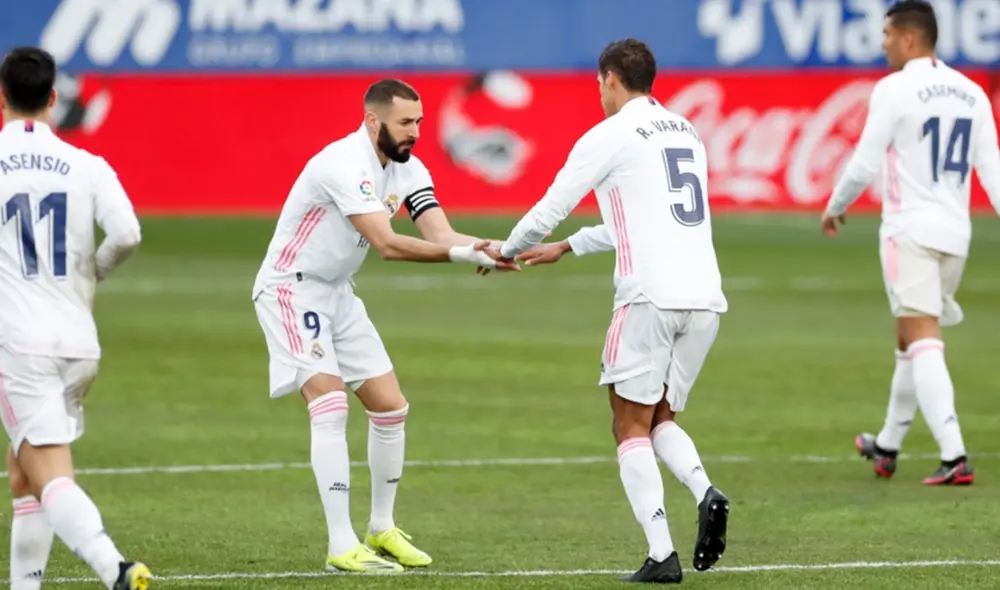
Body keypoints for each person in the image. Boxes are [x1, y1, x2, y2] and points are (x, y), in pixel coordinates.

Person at [483, 39, 730, 584]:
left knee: (628, 424)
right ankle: (703, 489)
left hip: (649, 297)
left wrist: (505, 249)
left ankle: (661, 555)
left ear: (612, 78)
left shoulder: (609, 134)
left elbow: (550, 206)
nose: (599, 92)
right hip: (706, 299)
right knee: (660, 415)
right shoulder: (686, 132)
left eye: (600, 83)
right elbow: (642, 221)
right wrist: (568, 247)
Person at [251, 78, 514, 573]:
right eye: (404, 123)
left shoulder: (409, 169)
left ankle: (381, 527)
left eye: (418, 121)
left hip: (338, 293)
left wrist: (484, 246)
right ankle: (340, 544)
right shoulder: (343, 164)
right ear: (374, 122)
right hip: (291, 287)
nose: (415, 131)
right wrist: (460, 255)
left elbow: (439, 233)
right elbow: (389, 245)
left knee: (391, 407)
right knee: (329, 404)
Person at [821, 0, 1000, 485]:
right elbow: (992, 171)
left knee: (922, 339)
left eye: (885, 35)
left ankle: (954, 454)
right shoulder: (971, 93)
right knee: (910, 338)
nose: (881, 44)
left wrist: (835, 205)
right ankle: (889, 442)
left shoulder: (895, 89)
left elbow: (863, 163)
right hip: (955, 237)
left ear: (908, 38)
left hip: (910, 232)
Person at [0, 47, 148, 590]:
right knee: (25, 474)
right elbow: (128, 233)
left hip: (19, 342)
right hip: (79, 343)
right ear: (55, 99)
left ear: (1, 95)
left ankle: (114, 567)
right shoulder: (87, 165)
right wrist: (95, 273)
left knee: (46, 473)